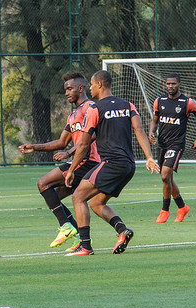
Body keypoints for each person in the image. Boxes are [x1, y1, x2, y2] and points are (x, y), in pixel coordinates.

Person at [64, 70, 160, 256]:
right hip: (128, 165)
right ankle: (122, 231)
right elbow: (139, 130)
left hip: (111, 163)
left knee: (78, 197)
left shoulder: (94, 109)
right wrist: (149, 157)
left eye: (92, 84)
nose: (90, 88)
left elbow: (83, 144)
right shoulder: (128, 105)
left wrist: (71, 170)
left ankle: (85, 246)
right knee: (96, 203)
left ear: (100, 85)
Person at [18, 72, 101, 251]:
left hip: (88, 160)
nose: (66, 93)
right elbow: (61, 142)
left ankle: (66, 226)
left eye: (70, 89)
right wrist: (34, 147)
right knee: (55, 195)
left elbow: (93, 134)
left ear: (81, 88)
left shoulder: (90, 107)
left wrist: (70, 152)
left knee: (43, 183)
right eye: (65, 89)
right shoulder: (73, 115)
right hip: (80, 161)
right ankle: (80, 238)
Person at [148, 73, 196, 223]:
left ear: (179, 84)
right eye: (168, 83)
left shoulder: (187, 102)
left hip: (176, 144)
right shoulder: (159, 101)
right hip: (162, 144)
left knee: (164, 175)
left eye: (173, 83)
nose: (170, 86)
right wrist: (151, 132)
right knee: (167, 178)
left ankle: (165, 210)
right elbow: (155, 120)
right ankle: (182, 207)